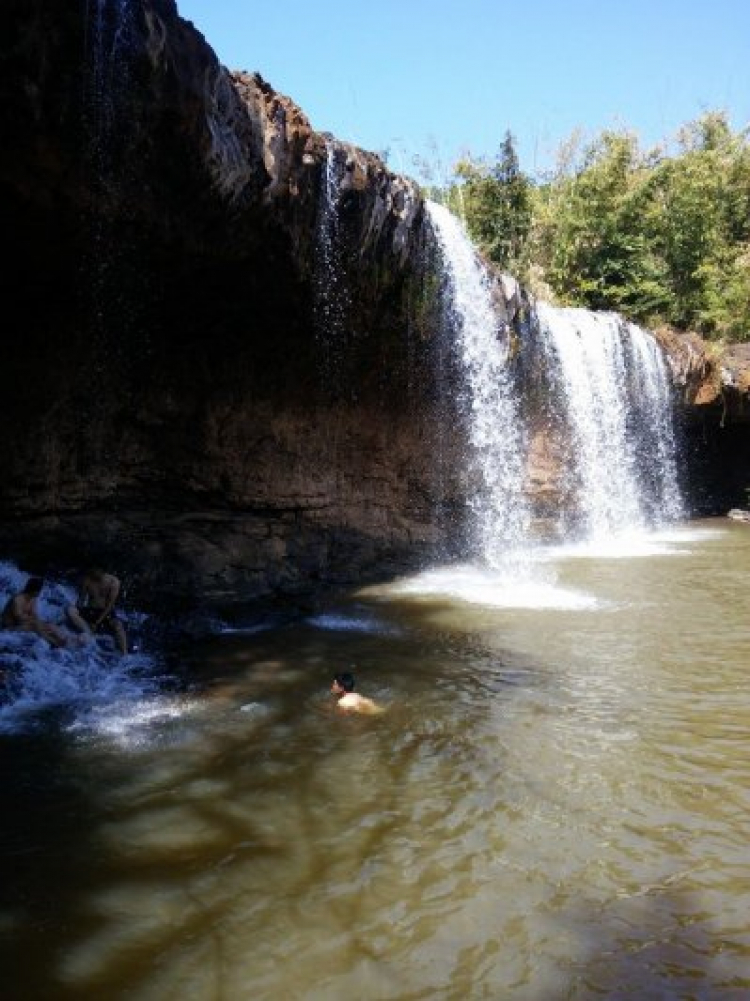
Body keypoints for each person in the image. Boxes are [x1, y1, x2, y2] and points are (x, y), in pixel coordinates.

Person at [66, 567, 127, 655]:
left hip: (106, 612)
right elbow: (81, 600)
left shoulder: (114, 581)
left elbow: (110, 606)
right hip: (90, 610)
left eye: (95, 571)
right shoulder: (88, 579)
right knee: (70, 610)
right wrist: (75, 614)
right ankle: (87, 631)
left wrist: (97, 622)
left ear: (102, 571)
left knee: (118, 625)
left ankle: (124, 654)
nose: (93, 574)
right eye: (92, 571)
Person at [1, 576, 69, 649]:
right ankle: (54, 642)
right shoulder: (17, 599)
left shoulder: (32, 599)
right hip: (10, 626)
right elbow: (19, 617)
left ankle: (61, 639)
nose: (39, 593)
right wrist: (34, 620)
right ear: (33, 590)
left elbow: (34, 614)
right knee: (35, 625)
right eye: (38, 591)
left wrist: (40, 622)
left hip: (22, 623)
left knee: (47, 624)